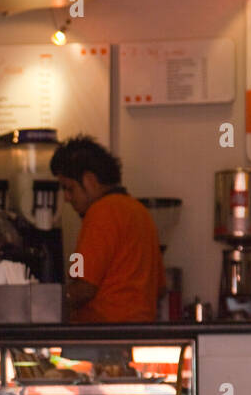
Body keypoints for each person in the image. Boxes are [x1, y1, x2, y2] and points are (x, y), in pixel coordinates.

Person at [50, 135, 165, 323]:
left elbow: (84, 287)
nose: (66, 198)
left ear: (89, 181)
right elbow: (160, 289)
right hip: (141, 332)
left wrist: (48, 303)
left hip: (102, 336)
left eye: (69, 188)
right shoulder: (140, 212)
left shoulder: (101, 212)